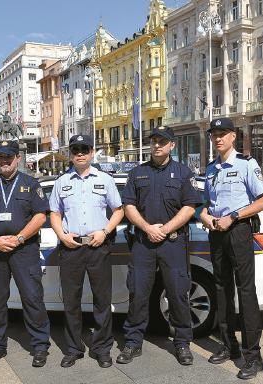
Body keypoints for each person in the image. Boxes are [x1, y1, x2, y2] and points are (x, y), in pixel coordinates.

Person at [117, 125, 201, 366]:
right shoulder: (137, 173)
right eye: (153, 141)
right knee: (138, 293)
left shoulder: (184, 173)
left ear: (171, 146)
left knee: (177, 293)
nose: (157, 145)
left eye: (162, 142)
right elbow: (128, 206)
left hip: (173, 242)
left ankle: (182, 343)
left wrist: (164, 229)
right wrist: (147, 228)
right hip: (143, 241)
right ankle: (132, 343)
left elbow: (189, 207)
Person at [199, 117, 263, 380]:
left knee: (246, 291)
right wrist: (204, 215)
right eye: (214, 134)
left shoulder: (246, 164)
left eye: (223, 133)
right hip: (216, 233)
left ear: (233, 137)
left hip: (238, 231)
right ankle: (230, 346)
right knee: (221, 289)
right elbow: (207, 202)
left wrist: (235, 216)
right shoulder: (210, 169)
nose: (217, 138)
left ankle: (254, 357)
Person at [0, 140, 51, 368]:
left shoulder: (30, 183)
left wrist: (19, 238)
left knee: (32, 298)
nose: (5, 160)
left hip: (24, 250)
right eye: (1, 157)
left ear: (18, 158)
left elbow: (40, 216)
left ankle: (39, 346)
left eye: (9, 156)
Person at [49, 134, 124, 369]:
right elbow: (54, 213)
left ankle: (102, 348)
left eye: (84, 149)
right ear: (70, 154)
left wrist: (105, 231)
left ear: (92, 152)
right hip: (71, 248)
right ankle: (73, 349)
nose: (80, 153)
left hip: (98, 245)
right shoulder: (62, 182)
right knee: (71, 301)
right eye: (75, 150)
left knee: (102, 300)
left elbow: (119, 210)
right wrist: (62, 235)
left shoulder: (105, 180)